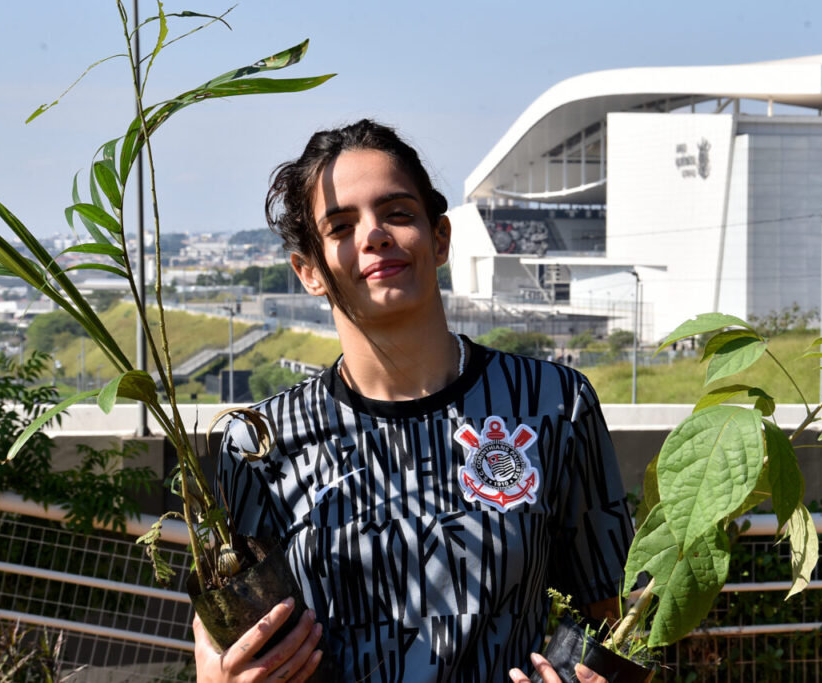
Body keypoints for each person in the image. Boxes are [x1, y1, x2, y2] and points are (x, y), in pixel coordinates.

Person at [193, 119, 633, 682]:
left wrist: (586, 676)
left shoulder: (552, 405)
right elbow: (232, 636)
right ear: (309, 270)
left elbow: (613, 611)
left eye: (397, 213)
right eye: (341, 226)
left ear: (440, 237)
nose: (374, 235)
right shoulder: (260, 444)